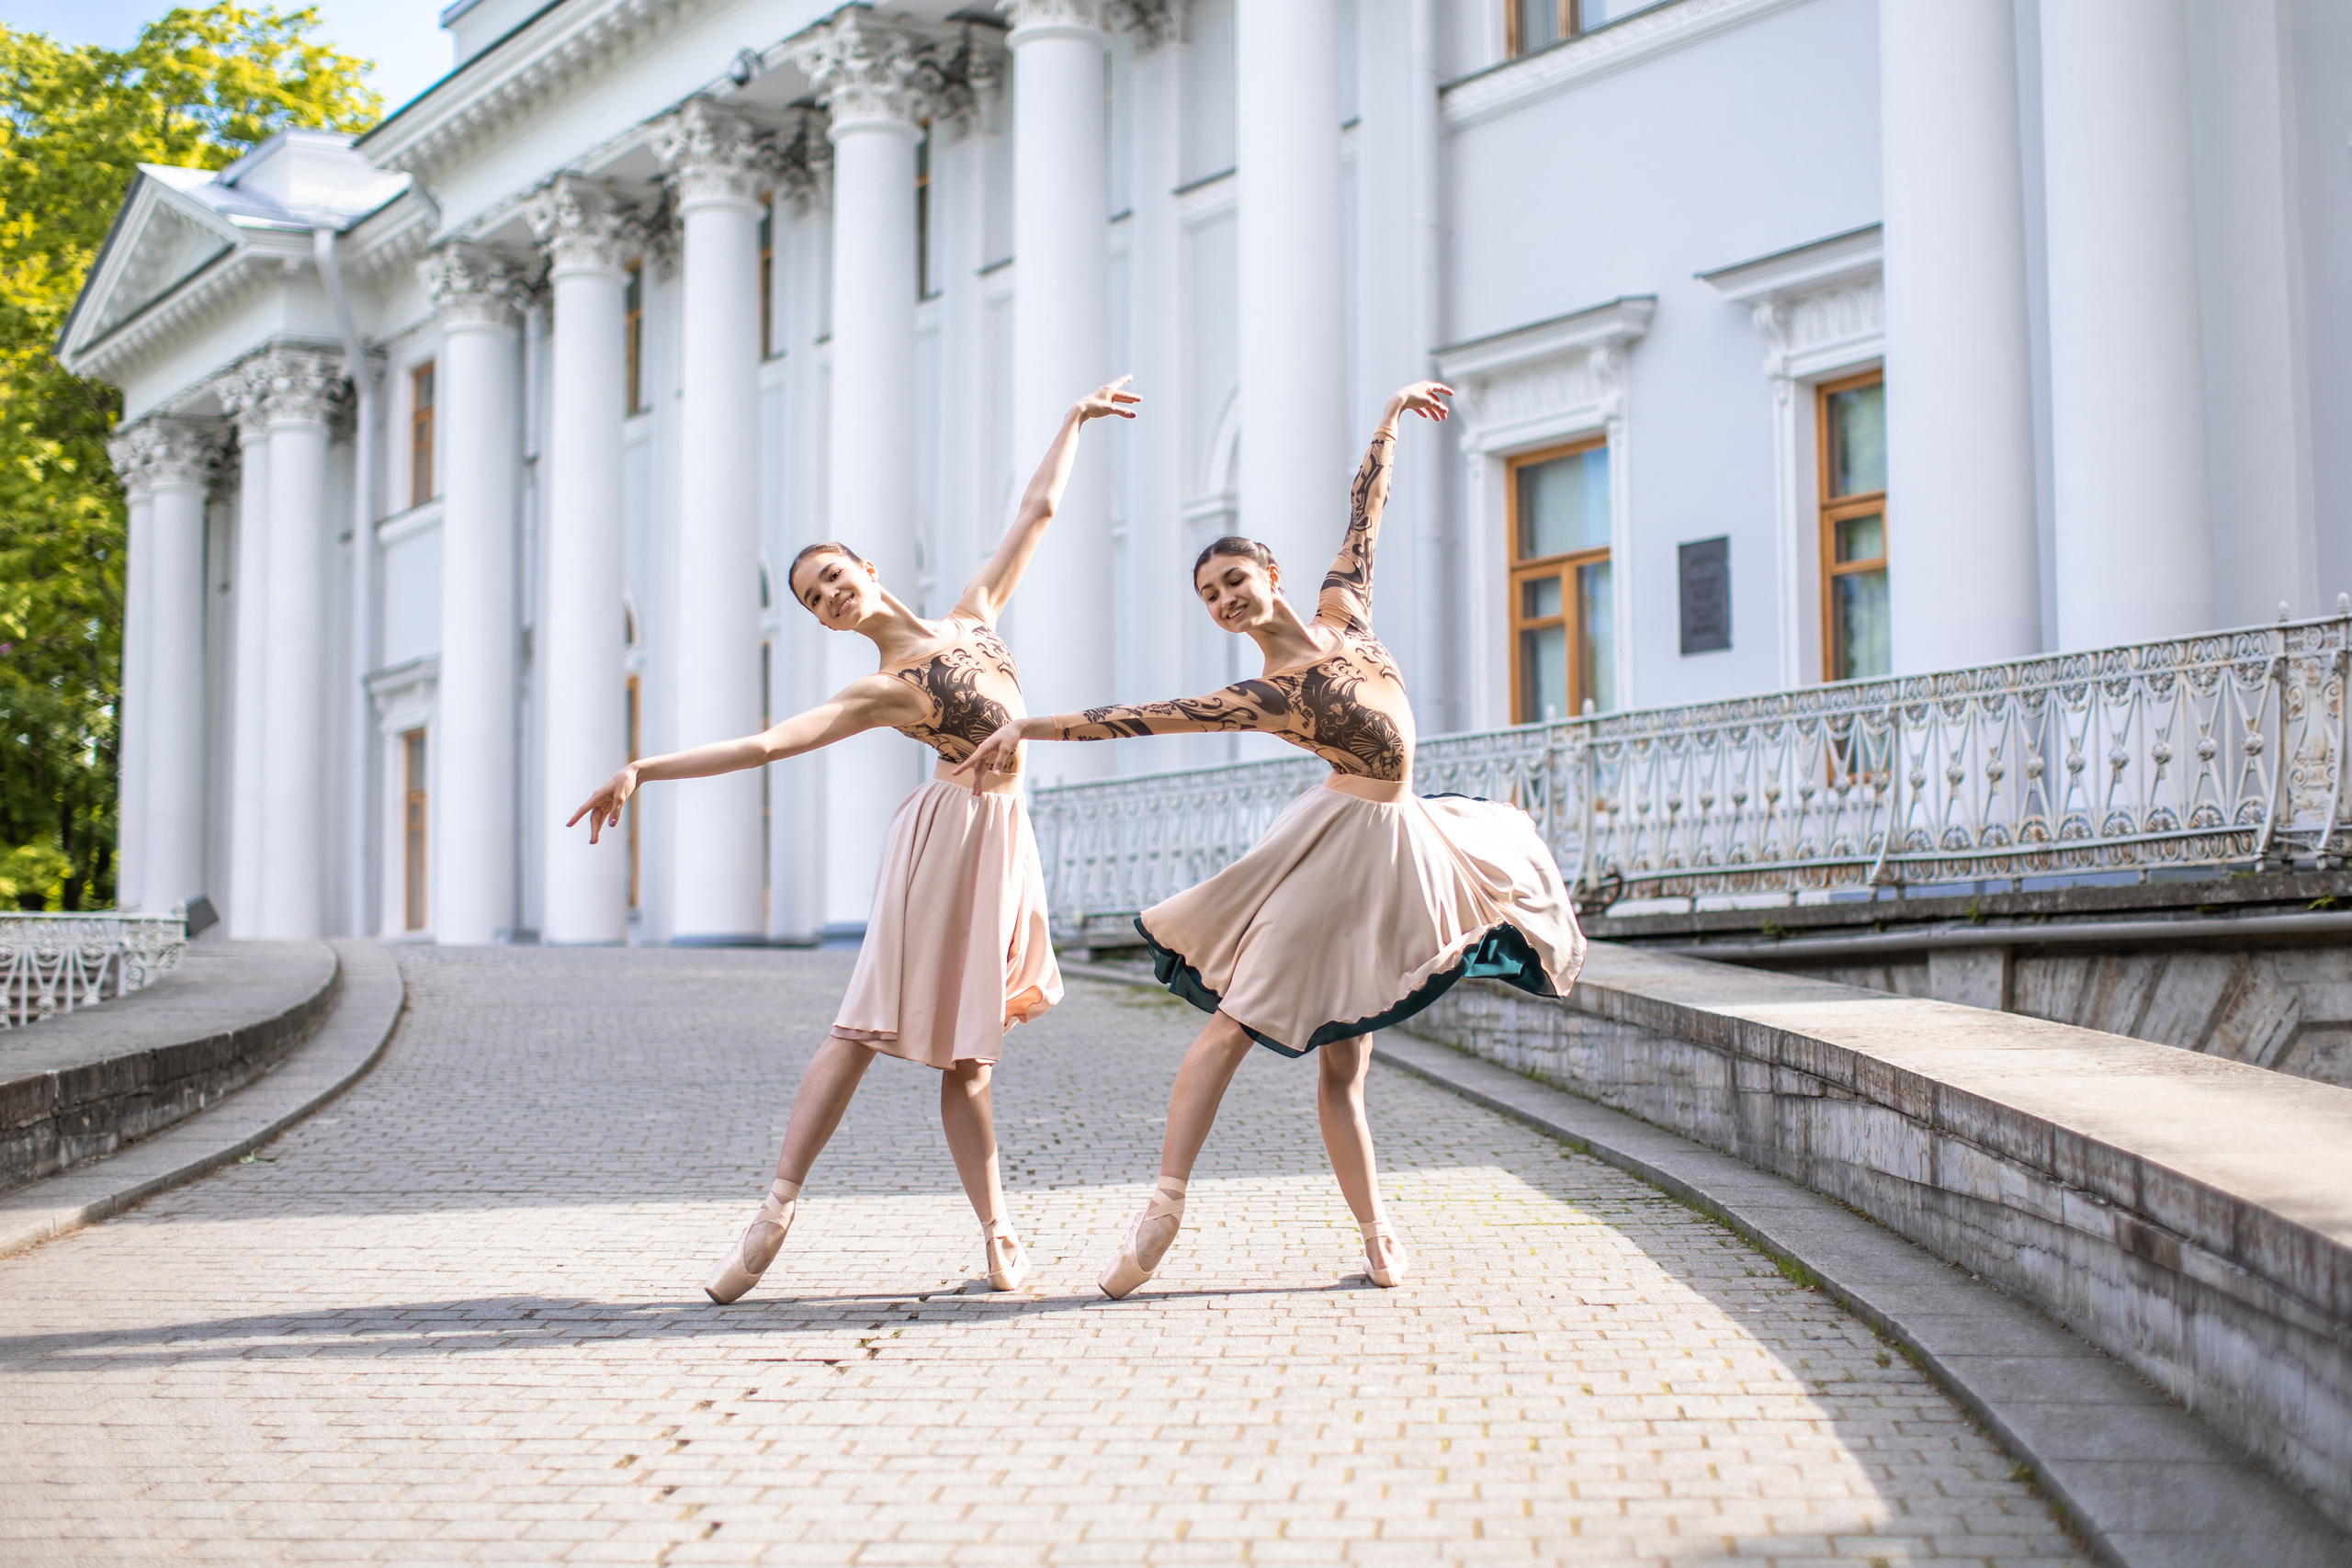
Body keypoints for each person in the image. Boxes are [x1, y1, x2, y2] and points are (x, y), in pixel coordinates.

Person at [956, 380, 1584, 1297]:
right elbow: (1141, 717)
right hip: (1336, 855)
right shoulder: (1266, 695)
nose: (1223, 600)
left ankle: (1376, 1232)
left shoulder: (1347, 613)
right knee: (1233, 1026)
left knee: (1347, 1060)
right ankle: (1162, 1209)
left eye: (1233, 582)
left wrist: (1389, 419)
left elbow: (1366, 514)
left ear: (1271, 575)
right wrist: (1029, 727)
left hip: (1404, 844)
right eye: (1209, 595)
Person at [570, 378, 1141, 1303]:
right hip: (946, 843)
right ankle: (774, 1211)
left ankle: (998, 1234)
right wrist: (644, 768)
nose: (830, 596)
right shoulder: (883, 687)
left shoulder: (974, 617)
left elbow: (1036, 513)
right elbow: (766, 744)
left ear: (867, 568)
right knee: (863, 1027)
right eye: (813, 599)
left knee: (971, 1058)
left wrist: (1073, 419)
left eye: (834, 577)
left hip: (1003, 843)